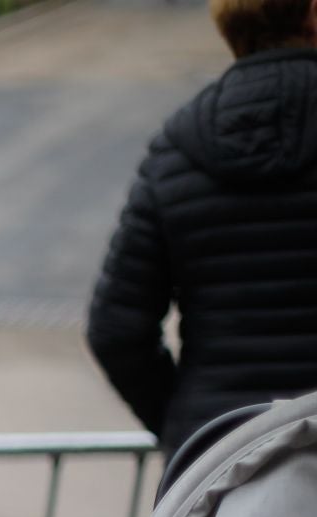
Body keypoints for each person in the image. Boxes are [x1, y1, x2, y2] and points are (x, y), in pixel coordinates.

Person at [87, 0, 317, 455]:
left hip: (220, 476)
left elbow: (115, 328)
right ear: (312, 15)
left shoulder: (178, 146)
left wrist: (188, 428)